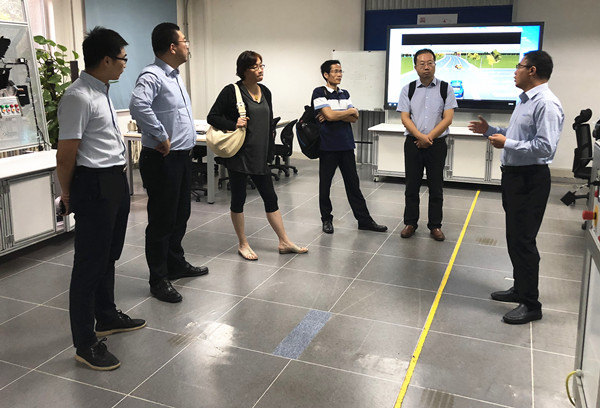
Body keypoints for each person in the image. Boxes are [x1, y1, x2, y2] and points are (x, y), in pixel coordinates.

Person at [56, 27, 145, 371]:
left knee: (109, 255)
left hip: (114, 180)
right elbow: (66, 154)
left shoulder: (101, 90)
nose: (125, 64)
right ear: (106, 60)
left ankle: (106, 316)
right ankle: (85, 343)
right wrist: (67, 193)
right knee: (89, 265)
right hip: (93, 185)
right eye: (123, 58)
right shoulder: (78, 97)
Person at [468, 50, 564, 324]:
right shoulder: (525, 100)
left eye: (519, 66)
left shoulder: (546, 104)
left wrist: (506, 144)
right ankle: (520, 289)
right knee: (515, 237)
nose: (514, 71)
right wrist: (491, 130)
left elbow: (545, 148)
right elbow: (519, 135)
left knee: (524, 241)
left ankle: (531, 304)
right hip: (514, 177)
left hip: (530, 179)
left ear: (532, 71)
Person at [129, 22, 208, 304]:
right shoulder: (152, 75)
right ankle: (158, 279)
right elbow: (138, 105)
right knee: (162, 221)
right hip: (162, 159)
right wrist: (160, 134)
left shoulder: (174, 77)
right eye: (185, 41)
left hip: (181, 157)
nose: (188, 46)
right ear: (173, 47)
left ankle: (175, 263)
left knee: (180, 215)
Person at [207, 50, 308, 260]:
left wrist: (269, 152)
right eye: (255, 67)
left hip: (260, 156)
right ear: (244, 70)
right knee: (239, 199)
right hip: (239, 156)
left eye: (262, 65)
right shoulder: (232, 91)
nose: (260, 70)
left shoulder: (265, 92)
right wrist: (233, 123)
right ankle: (243, 243)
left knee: (270, 198)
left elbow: (269, 124)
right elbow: (212, 117)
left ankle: (284, 241)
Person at [313, 60, 387, 235]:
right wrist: (347, 112)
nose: (339, 74)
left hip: (346, 145)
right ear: (326, 75)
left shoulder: (344, 93)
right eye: (335, 71)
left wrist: (337, 114)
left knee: (353, 185)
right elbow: (331, 116)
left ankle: (364, 220)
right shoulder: (319, 92)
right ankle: (326, 219)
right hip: (328, 146)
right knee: (325, 185)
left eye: (340, 71)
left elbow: (354, 118)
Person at [396, 49, 457, 241]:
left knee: (436, 187)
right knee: (411, 186)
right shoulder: (408, 89)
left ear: (435, 65)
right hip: (413, 143)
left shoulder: (445, 88)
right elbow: (405, 118)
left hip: (436, 144)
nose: (426, 67)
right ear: (415, 67)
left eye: (430, 63)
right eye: (422, 64)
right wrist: (420, 137)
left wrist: (428, 137)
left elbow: (448, 118)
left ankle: (435, 226)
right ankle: (410, 223)